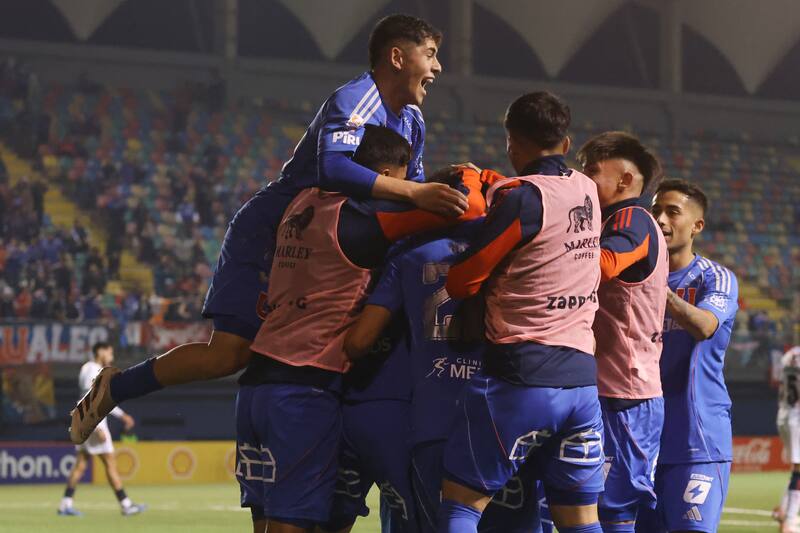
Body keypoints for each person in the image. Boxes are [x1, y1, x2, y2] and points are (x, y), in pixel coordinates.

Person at [69, 13, 465, 445]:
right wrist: (414, 194)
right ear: (396, 56)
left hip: (340, 248)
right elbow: (333, 166)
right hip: (278, 233)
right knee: (228, 355)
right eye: (429, 55)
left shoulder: (412, 121)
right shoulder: (356, 99)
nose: (438, 67)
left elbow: (413, 190)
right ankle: (118, 388)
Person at [234, 125, 485, 533]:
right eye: (405, 181)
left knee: (278, 521)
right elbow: (467, 208)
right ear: (385, 174)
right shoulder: (374, 230)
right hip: (315, 388)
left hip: (259, 382)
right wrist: (468, 176)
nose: (409, 190)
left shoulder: (302, 202)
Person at [436, 91, 605, 533]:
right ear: (566, 144)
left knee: (461, 504)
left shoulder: (520, 198)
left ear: (512, 143)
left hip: (521, 375)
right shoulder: (586, 188)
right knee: (580, 520)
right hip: (583, 383)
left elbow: (463, 280)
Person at [577, 132, 668, 532]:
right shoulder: (612, 220)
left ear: (625, 181)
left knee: (612, 510)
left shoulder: (631, 220)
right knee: (576, 503)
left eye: (593, 171)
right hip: (604, 388)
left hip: (625, 395)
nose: (583, 178)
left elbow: (605, 264)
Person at [637, 179, 739, 533]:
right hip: (637, 438)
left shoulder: (716, 278)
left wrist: (656, 289)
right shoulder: (628, 277)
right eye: (655, 211)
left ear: (697, 225)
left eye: (672, 212)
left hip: (697, 439)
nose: (661, 219)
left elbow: (704, 325)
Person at [58, 342, 146, 517]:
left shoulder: (89, 368)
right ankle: (126, 505)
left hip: (86, 421)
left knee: (81, 465)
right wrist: (97, 427)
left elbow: (102, 400)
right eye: (110, 352)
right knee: (110, 463)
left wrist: (122, 416)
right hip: (93, 422)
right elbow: (86, 397)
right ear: (100, 351)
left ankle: (65, 504)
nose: (111, 357)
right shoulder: (93, 369)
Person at [774, 343, 800, 533]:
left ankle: (783, 510)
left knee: (797, 468)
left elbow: (780, 383)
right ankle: (789, 522)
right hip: (797, 417)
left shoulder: (790, 354)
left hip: (784, 414)